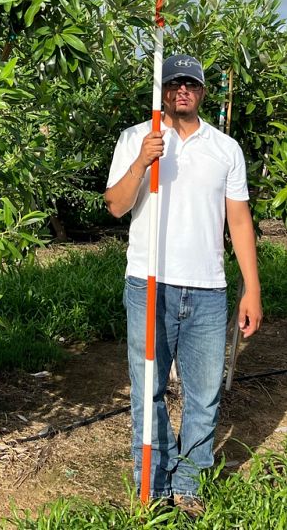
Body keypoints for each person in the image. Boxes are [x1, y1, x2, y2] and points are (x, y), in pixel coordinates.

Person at [104, 54, 262, 509]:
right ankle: (151, 483)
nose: (182, 91)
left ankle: (188, 483)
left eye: (190, 84)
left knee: (205, 394)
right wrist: (142, 162)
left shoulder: (225, 148)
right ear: (163, 90)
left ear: (202, 91)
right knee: (147, 388)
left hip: (208, 290)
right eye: (173, 84)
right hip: (148, 285)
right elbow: (115, 205)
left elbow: (239, 220)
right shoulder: (137, 137)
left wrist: (251, 288)